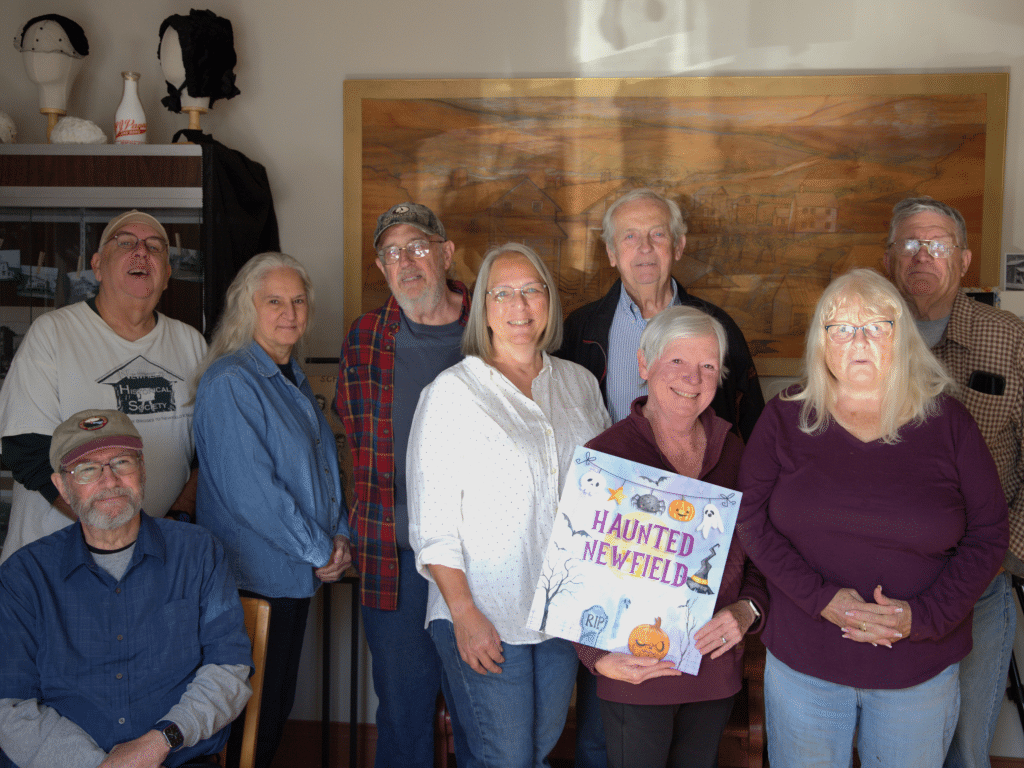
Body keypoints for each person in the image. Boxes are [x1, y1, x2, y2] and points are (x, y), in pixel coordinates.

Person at [737, 268, 1008, 767]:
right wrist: (822, 600)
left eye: (875, 326)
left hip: (917, 668)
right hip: (806, 662)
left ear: (900, 335)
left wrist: (920, 617)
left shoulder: (948, 421)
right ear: (821, 341)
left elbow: (989, 537)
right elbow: (751, 521)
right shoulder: (784, 417)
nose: (857, 340)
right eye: (841, 327)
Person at [556, 187, 764, 766]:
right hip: (626, 644)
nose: (691, 378)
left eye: (705, 367)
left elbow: (758, 530)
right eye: (630, 236)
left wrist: (747, 610)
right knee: (605, 744)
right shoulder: (582, 336)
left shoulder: (732, 442)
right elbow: (574, 560)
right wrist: (596, 655)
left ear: (678, 246)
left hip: (709, 661)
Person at [409, 243, 610, 768]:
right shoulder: (452, 392)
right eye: (503, 293)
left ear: (549, 301)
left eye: (531, 290)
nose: (519, 306)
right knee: (506, 759)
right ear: (484, 308)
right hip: (484, 610)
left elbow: (607, 494)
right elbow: (432, 524)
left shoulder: (580, 385)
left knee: (536, 752)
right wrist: (464, 613)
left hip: (561, 614)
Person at [0, 409, 253, 768]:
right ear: (62, 486)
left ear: (143, 470)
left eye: (122, 462)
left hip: (174, 758)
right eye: (87, 469)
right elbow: (9, 706)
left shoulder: (198, 552)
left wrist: (158, 742)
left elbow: (228, 670)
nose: (109, 480)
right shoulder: (23, 576)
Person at [193, 252, 352, 768]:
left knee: (271, 714)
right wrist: (319, 549)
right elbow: (252, 493)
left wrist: (340, 538)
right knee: (245, 730)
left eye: (298, 300)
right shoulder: (231, 382)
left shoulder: (292, 380)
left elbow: (324, 476)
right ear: (248, 309)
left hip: (291, 577)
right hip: (252, 583)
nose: (290, 312)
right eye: (275, 301)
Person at [883, 197, 1024, 768]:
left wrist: (1000, 555)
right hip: (882, 588)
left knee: (965, 749)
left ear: (964, 259)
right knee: (897, 749)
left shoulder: (1009, 339)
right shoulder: (867, 336)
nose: (923, 255)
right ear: (890, 257)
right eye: (910, 243)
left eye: (937, 244)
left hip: (978, 589)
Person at [335, 202, 469, 766]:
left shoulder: (490, 324)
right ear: (381, 266)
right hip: (396, 558)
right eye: (391, 253)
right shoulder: (367, 336)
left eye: (417, 247)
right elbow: (350, 433)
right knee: (403, 714)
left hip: (479, 563)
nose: (405, 262)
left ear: (445, 252)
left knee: (481, 714)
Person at [0, 209, 206, 564]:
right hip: (58, 561)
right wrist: (115, 531)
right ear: (97, 266)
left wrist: (176, 520)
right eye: (125, 243)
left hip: (155, 558)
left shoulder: (191, 344)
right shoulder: (52, 334)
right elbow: (26, 449)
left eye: (155, 247)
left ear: (168, 274)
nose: (141, 252)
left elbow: (207, 455)